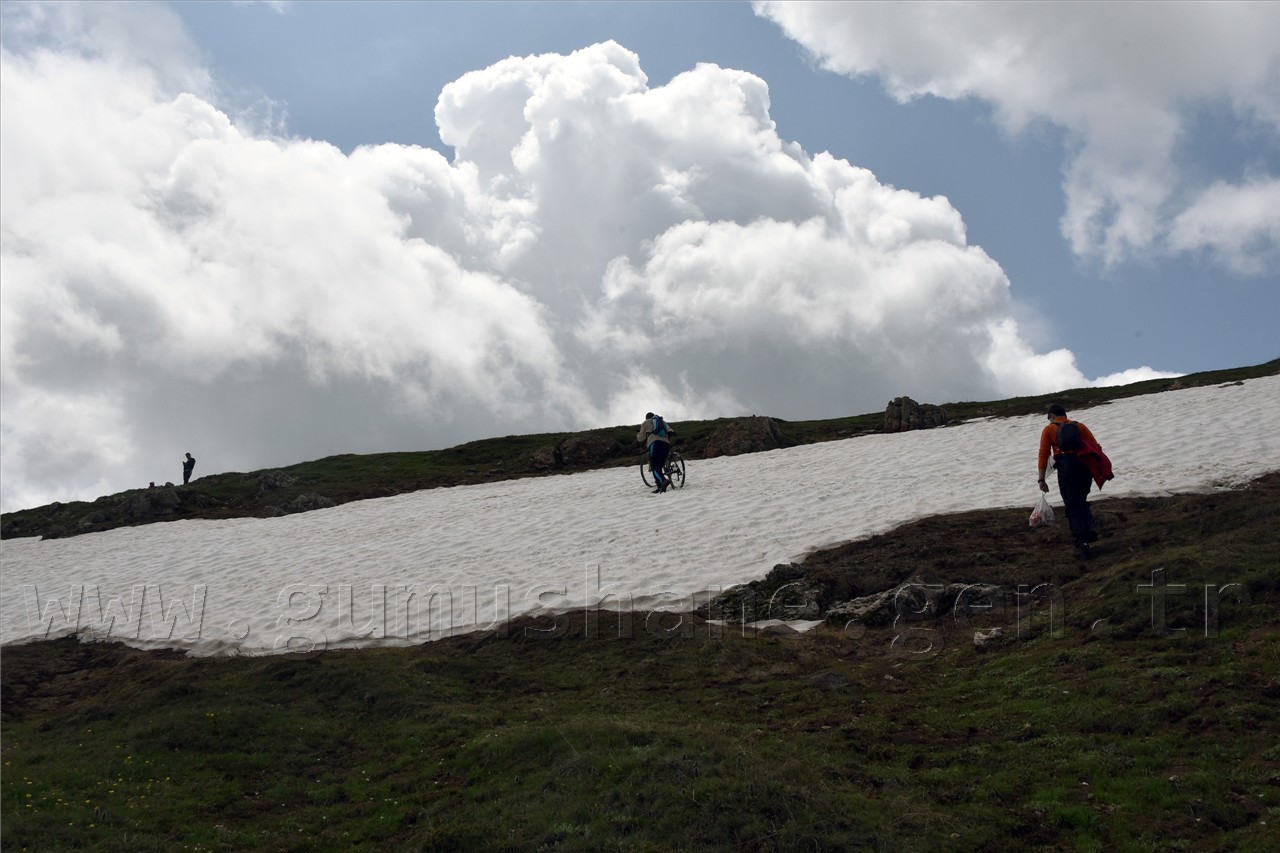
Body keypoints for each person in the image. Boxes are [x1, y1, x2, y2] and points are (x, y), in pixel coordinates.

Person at [1037, 405, 1100, 559]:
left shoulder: (1049, 430)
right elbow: (1096, 447)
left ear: (1052, 415)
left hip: (1066, 468)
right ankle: (1089, 529)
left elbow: (1043, 454)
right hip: (1084, 467)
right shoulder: (1080, 426)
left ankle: (1082, 543)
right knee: (1081, 499)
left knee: (1072, 505)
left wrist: (1041, 479)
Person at [637, 412, 672, 493]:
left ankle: (664, 481)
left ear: (647, 418)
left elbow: (640, 438)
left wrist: (639, 435)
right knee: (659, 466)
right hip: (666, 444)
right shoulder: (662, 422)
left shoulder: (646, 423)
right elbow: (670, 431)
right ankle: (660, 486)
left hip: (655, 443)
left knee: (654, 466)